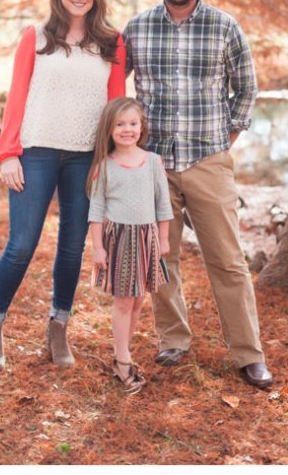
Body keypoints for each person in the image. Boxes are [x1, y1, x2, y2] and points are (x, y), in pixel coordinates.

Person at [122, 0, 272, 389]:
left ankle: (248, 353)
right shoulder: (138, 29)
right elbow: (114, 85)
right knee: (162, 256)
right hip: (156, 165)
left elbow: (245, 90)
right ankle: (173, 339)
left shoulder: (225, 27)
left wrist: (225, 139)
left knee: (227, 261)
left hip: (208, 161)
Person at [0, 0, 125, 371]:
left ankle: (58, 327)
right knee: (22, 244)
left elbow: (115, 104)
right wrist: (8, 153)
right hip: (37, 150)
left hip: (86, 157)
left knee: (70, 248)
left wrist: (109, 160)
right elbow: (16, 97)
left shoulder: (111, 43)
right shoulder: (36, 37)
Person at [87, 97, 171, 394]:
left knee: (137, 300)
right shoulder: (105, 166)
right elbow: (96, 210)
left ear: (141, 126)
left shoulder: (152, 162)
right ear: (109, 130)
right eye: (120, 124)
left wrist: (163, 239)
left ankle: (123, 351)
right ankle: (122, 360)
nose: (127, 129)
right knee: (124, 300)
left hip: (147, 238)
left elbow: (164, 205)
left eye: (133, 124)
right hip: (120, 240)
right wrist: (98, 247)